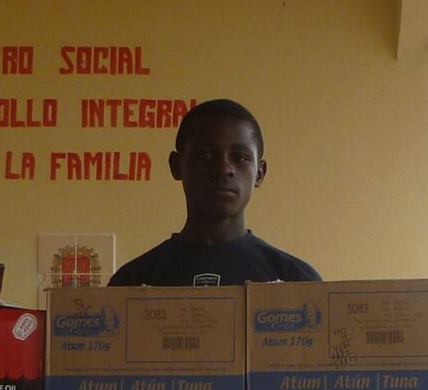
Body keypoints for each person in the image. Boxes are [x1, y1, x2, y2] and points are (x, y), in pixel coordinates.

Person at [108, 100, 321, 286]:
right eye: (205, 155)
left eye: (240, 157)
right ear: (176, 165)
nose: (224, 168)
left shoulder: (297, 282)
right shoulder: (132, 282)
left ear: (260, 173)